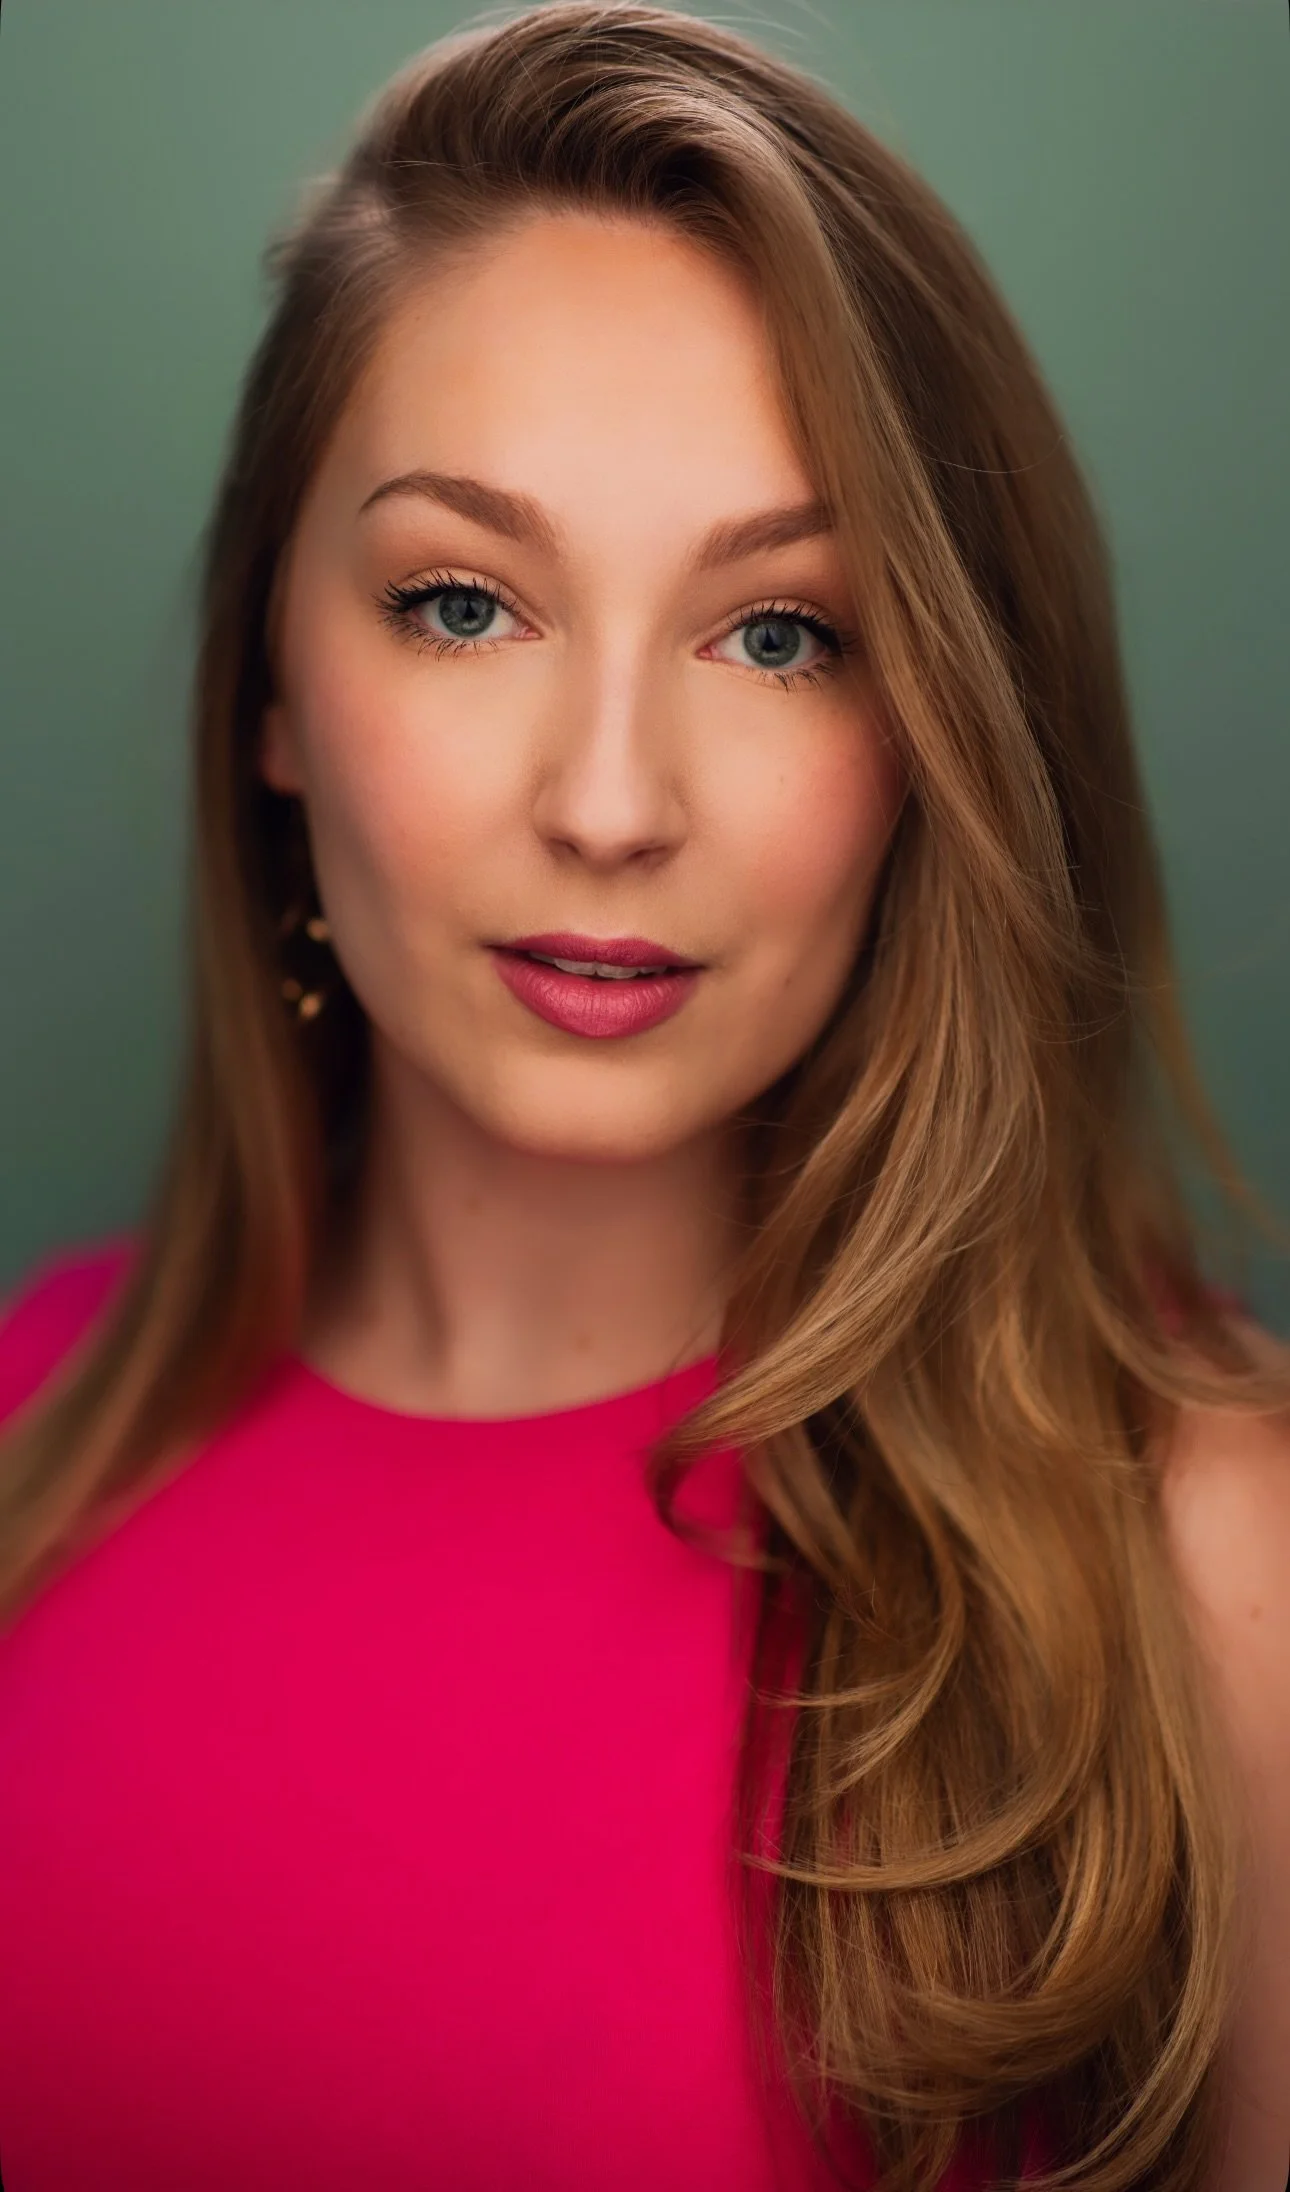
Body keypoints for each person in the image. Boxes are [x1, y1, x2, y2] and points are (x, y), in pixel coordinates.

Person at [0, 6, 1286, 2187]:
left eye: (780, 634)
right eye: (464, 602)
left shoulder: (1206, 1552)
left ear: (938, 736)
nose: (610, 803)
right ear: (272, 689)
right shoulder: (29, 1436)